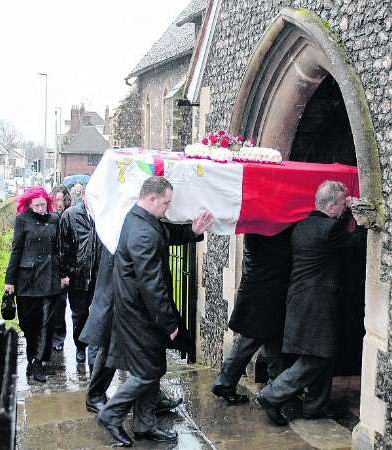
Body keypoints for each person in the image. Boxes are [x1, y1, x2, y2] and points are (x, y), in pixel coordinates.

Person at [97, 176, 214, 446]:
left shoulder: (142, 220)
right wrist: (169, 322)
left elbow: (165, 234)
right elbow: (153, 285)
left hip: (139, 312)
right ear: (151, 198)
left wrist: (193, 230)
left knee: (152, 367)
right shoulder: (141, 232)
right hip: (140, 315)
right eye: (166, 202)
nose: (168, 208)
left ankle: (144, 425)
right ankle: (111, 414)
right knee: (147, 372)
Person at [255, 180, 366, 426]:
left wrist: (346, 210)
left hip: (301, 300)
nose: (343, 208)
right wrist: (358, 214)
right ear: (333, 205)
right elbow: (357, 242)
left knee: (323, 355)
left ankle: (316, 407)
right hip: (317, 304)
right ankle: (272, 395)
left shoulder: (302, 226)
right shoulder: (329, 229)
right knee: (316, 358)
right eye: (341, 204)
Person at [79, 246, 183, 415]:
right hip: (121, 277)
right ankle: (95, 396)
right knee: (112, 342)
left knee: (145, 339)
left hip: (129, 274)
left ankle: (152, 396)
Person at [212, 228, 292, 404]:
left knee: (272, 341)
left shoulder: (254, 227)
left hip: (260, 291)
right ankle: (225, 382)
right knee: (249, 341)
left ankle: (275, 388)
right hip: (265, 294)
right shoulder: (271, 232)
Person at [5, 187, 68, 382]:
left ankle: (39, 362)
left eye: (43, 204)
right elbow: (16, 250)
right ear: (30, 205)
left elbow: (60, 249)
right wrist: (9, 281)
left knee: (46, 323)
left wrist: (63, 274)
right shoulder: (22, 220)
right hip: (27, 279)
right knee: (27, 323)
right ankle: (33, 356)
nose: (41, 208)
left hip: (49, 277)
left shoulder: (55, 220)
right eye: (37, 205)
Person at [59, 191, 102, 368]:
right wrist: (64, 273)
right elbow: (62, 246)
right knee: (79, 315)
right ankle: (80, 346)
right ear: (84, 196)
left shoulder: (105, 214)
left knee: (99, 315)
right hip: (78, 276)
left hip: (100, 276)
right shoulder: (70, 215)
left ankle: (95, 351)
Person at [51, 185, 72, 352]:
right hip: (49, 267)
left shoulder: (69, 215)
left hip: (64, 267)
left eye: (61, 199)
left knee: (60, 305)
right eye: (56, 199)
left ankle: (59, 337)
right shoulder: (50, 217)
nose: (59, 203)